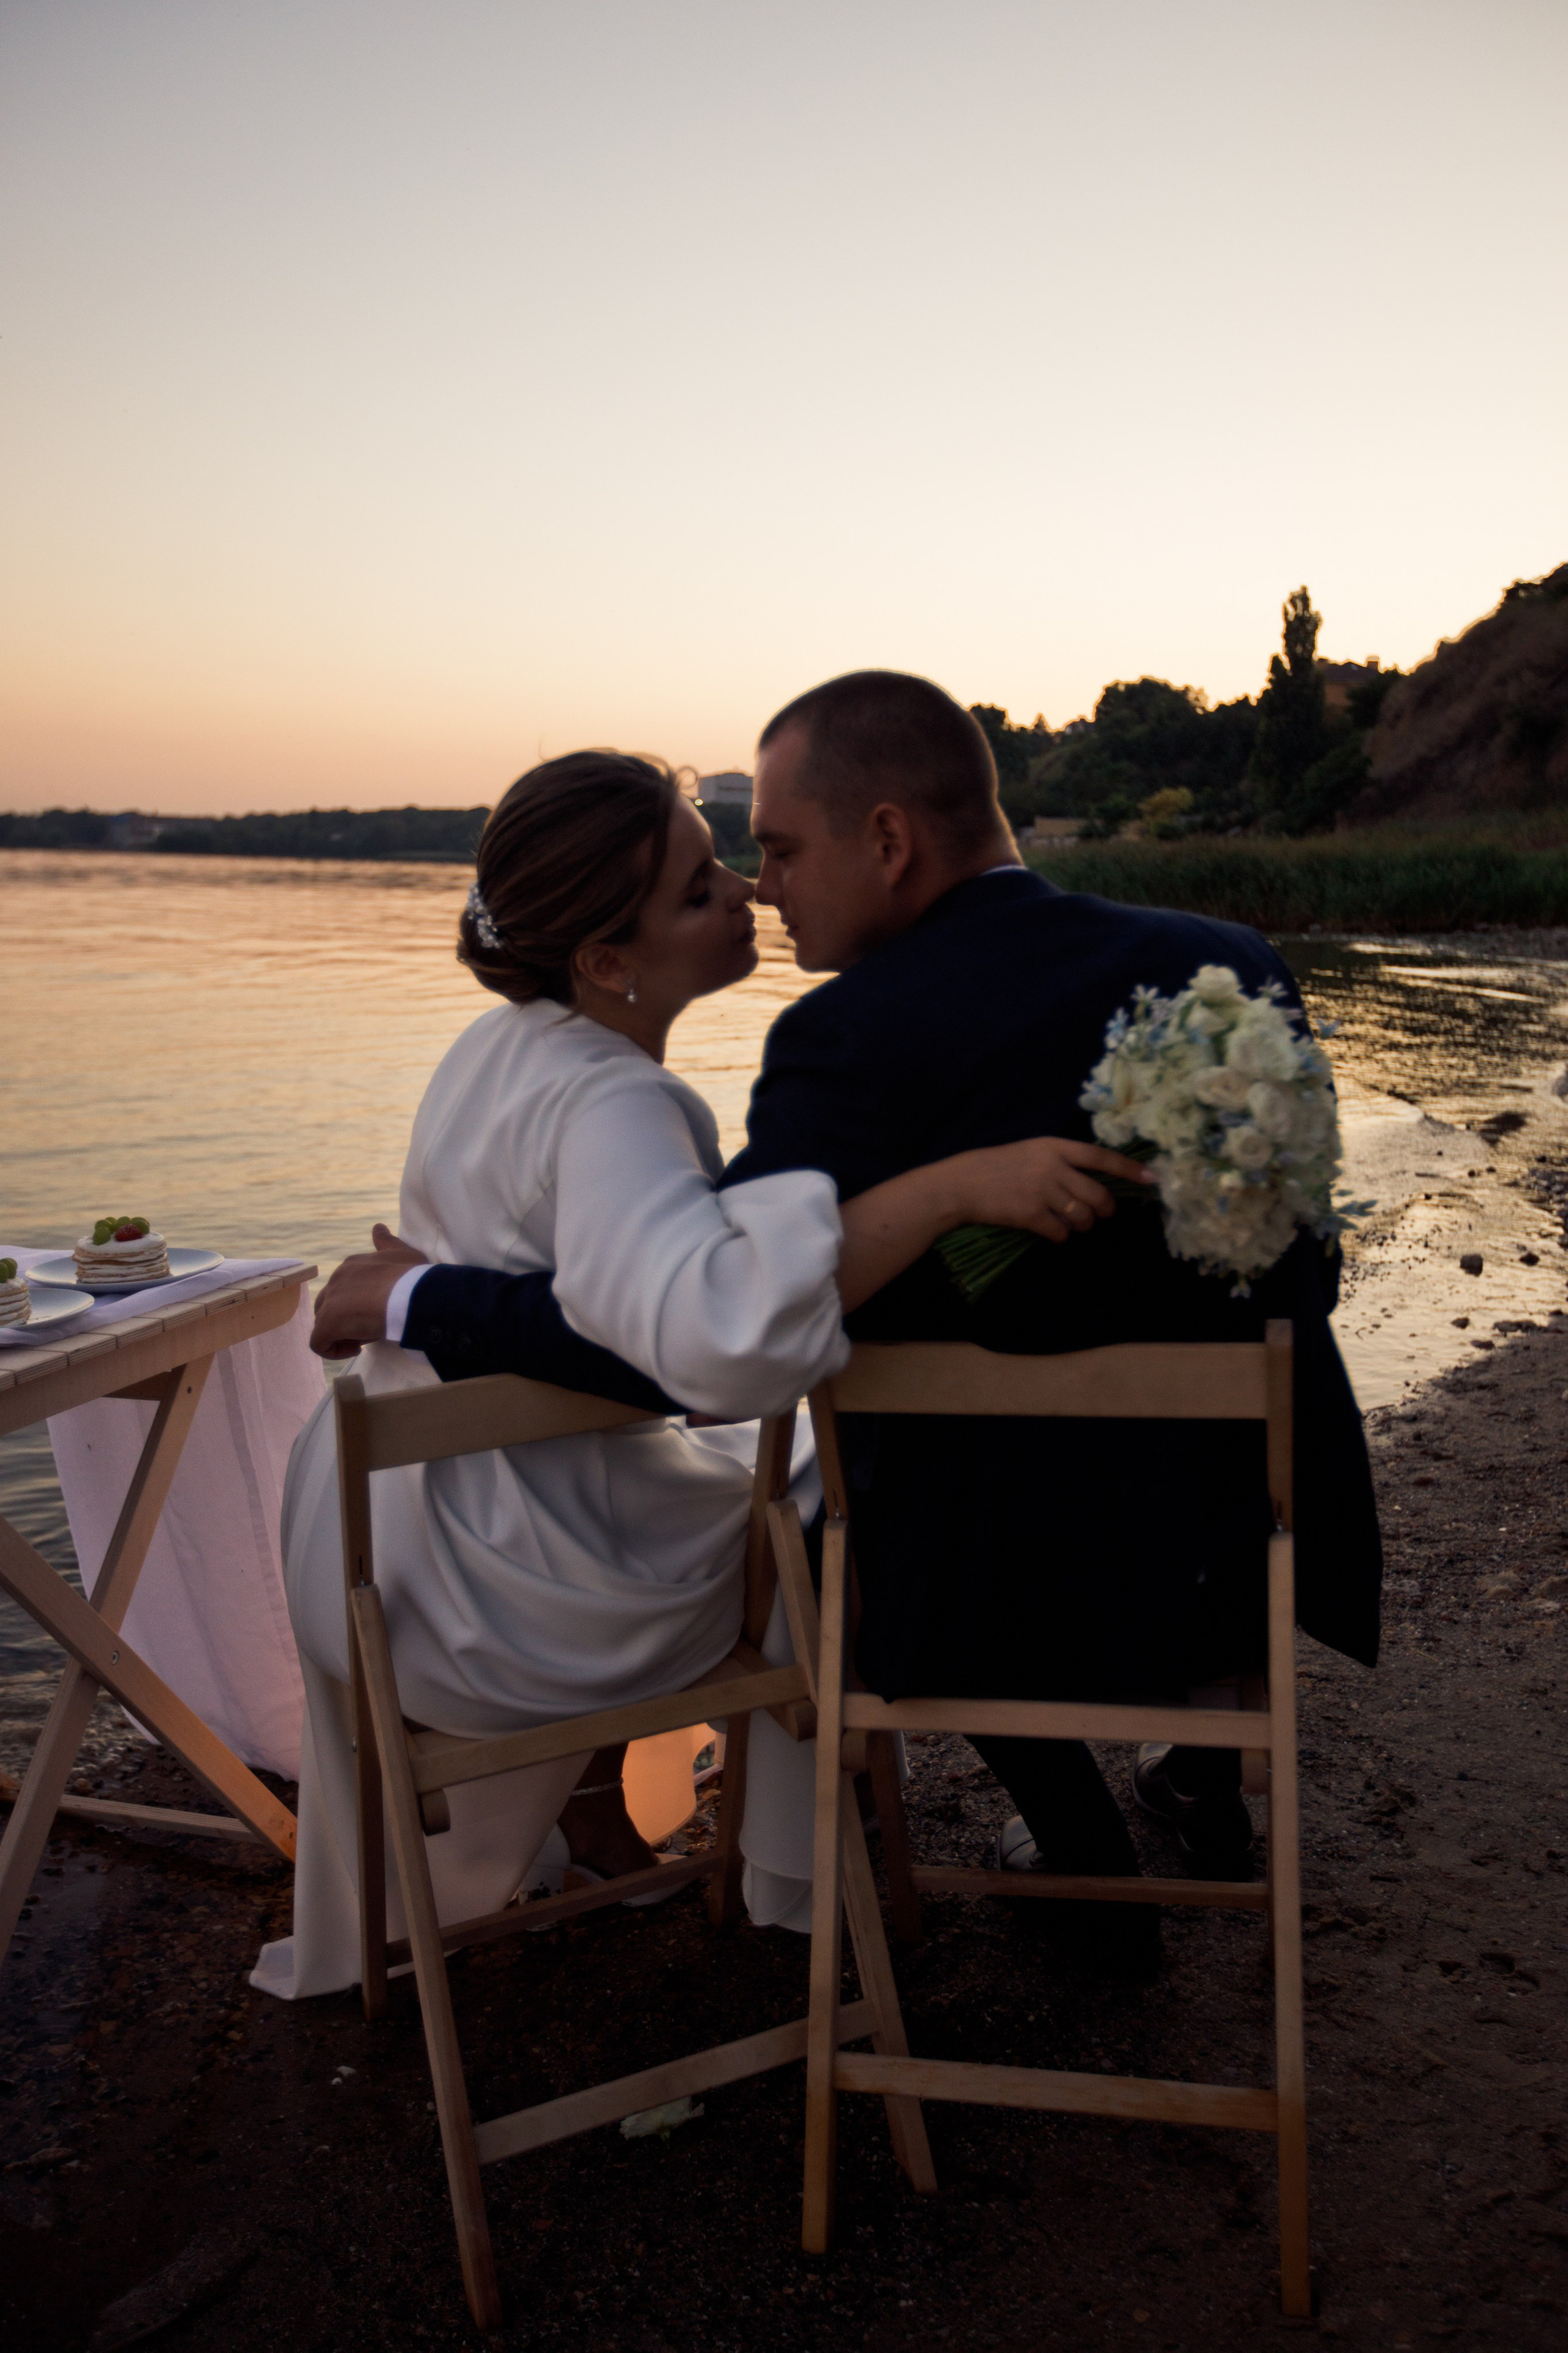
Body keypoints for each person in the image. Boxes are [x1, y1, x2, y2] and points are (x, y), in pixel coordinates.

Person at [314, 677, 1383, 1974]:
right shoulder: (1226, 966)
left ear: (887, 841)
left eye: (774, 848)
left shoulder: (848, 1040)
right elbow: (1299, 1277)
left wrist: (424, 1298)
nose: (761, 886)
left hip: (988, 1585)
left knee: (856, 1499)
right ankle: (1202, 1781)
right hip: (1240, 1549)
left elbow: (672, 1335)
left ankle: (1081, 1861)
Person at [257, 747, 1150, 1998]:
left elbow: (594, 1317)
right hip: (500, 1590)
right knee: (847, 1498)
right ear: (607, 961)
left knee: (776, 1477)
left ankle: (651, 1832)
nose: (743, 892)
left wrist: (427, 1298)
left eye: (727, 859)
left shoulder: (490, 1047)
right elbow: (692, 1357)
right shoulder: (621, 1104)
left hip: (369, 1552)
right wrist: (942, 1193)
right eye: (696, 889)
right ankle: (811, 1884)